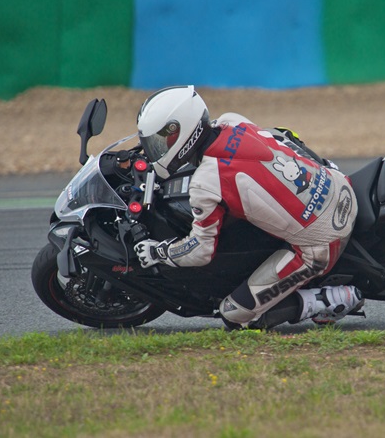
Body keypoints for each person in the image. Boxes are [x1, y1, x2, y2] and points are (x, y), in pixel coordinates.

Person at [133, 85, 362, 329]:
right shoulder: (232, 121)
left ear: (182, 131)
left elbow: (201, 251)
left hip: (322, 242)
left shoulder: (205, 182)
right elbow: (282, 137)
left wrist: (159, 252)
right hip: (339, 184)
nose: (157, 149)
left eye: (161, 141)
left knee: (234, 313)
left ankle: (331, 299)